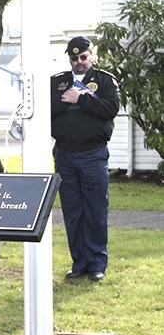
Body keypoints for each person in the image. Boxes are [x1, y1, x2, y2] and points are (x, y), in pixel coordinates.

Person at [51, 36, 120, 282]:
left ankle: (97, 264)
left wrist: (80, 99)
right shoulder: (57, 81)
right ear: (69, 57)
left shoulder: (104, 80)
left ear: (91, 55)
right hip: (65, 155)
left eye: (83, 56)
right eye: (74, 57)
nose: (79, 61)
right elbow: (49, 109)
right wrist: (76, 103)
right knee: (72, 211)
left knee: (95, 211)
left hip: (93, 154)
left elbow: (110, 109)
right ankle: (79, 263)